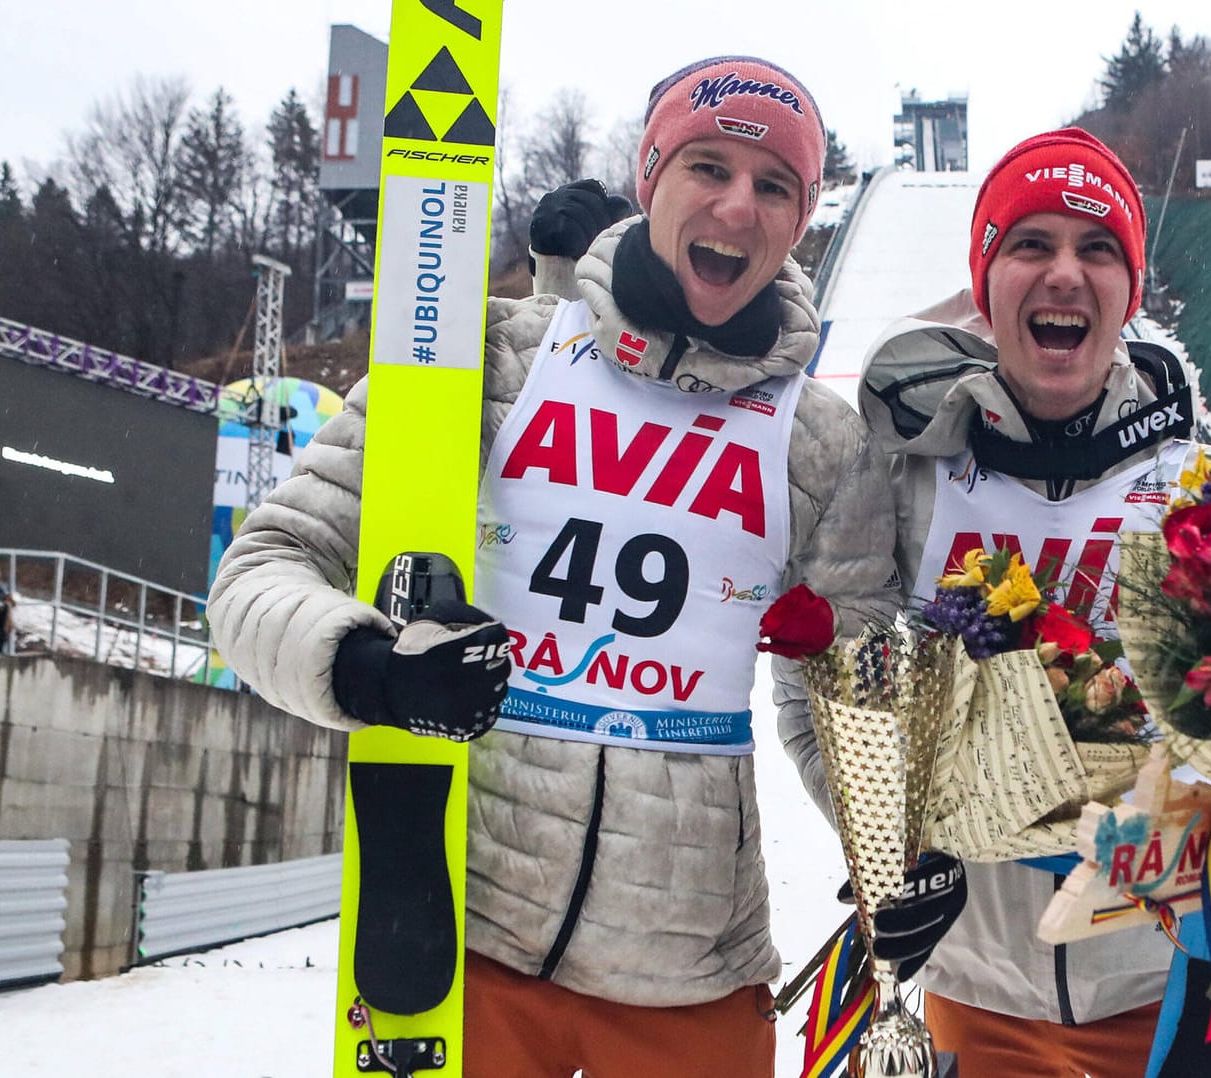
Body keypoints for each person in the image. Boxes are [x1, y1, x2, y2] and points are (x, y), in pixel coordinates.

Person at [211, 55, 897, 1077]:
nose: (737, 206)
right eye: (708, 167)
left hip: (690, 967)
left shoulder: (824, 445)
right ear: (651, 175)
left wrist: (900, 858)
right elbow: (262, 566)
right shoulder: (485, 359)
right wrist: (367, 666)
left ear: (804, 219)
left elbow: (852, 701)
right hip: (463, 934)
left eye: (776, 187)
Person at [795, 127, 1211, 1077]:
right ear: (984, 280)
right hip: (980, 982)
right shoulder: (903, 479)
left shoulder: (1205, 484)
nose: (1064, 275)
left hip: (1172, 977)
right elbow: (820, 689)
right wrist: (883, 840)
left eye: (1097, 250)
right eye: (1030, 245)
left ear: (1130, 290)